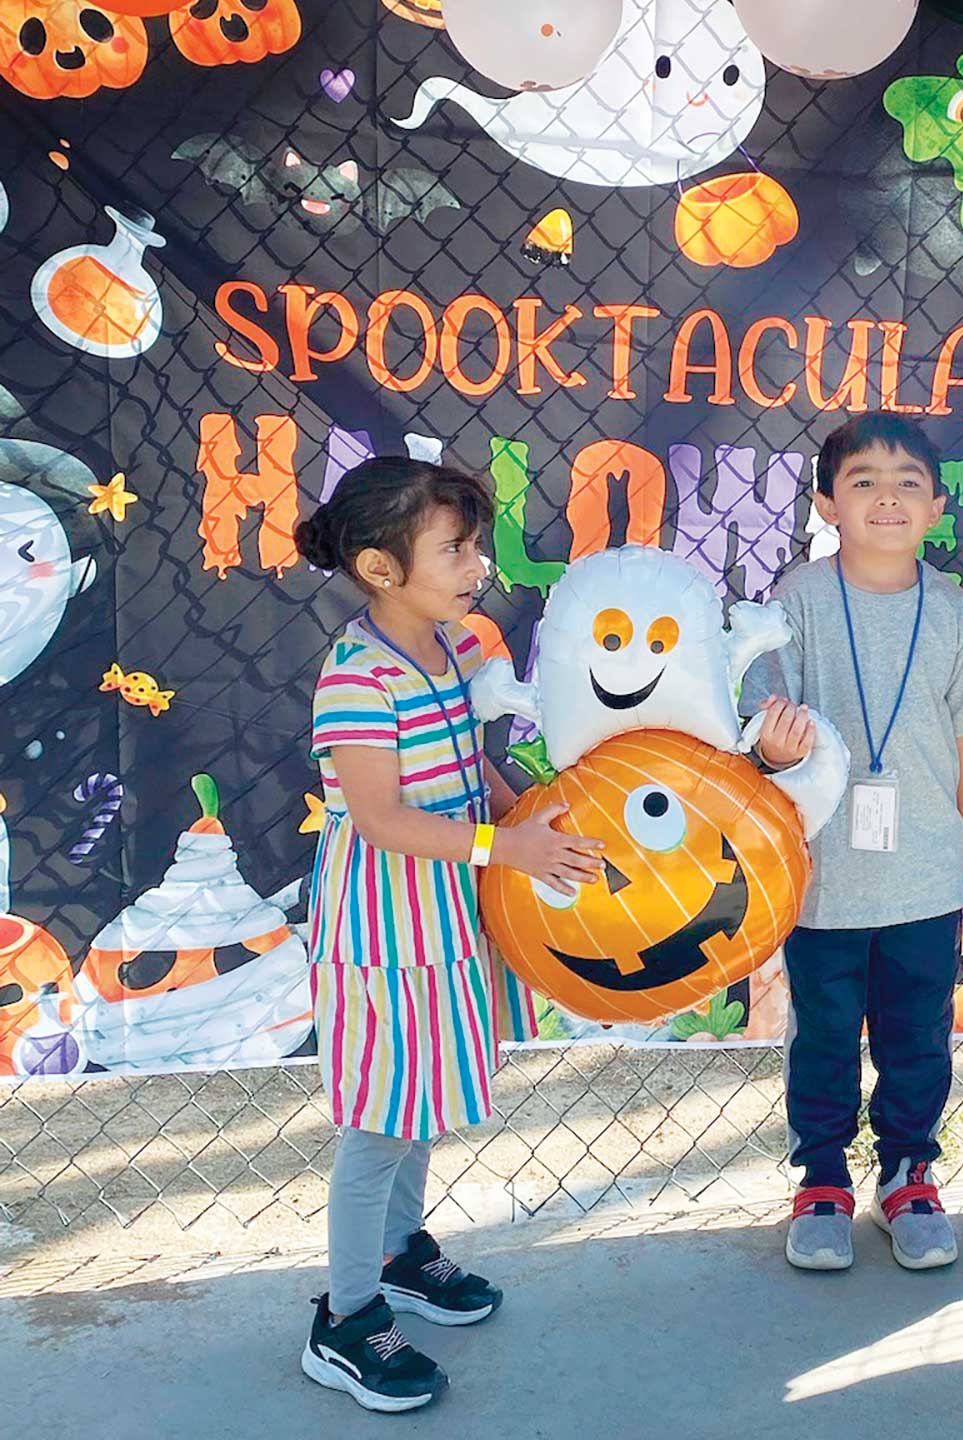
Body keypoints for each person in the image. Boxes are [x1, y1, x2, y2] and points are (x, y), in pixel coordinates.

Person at [296, 458, 605, 1411]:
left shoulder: (459, 650)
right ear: (381, 567)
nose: (478, 564)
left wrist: (529, 820)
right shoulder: (356, 677)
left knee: (420, 1100)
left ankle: (399, 1257)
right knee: (382, 1123)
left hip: (448, 922)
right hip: (381, 937)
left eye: (475, 544)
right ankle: (345, 1320)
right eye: (455, 548)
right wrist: (503, 845)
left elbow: (478, 763)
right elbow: (382, 819)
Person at [741, 413, 963, 1273]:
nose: (887, 496)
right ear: (826, 503)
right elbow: (763, 729)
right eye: (863, 480)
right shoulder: (797, 602)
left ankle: (908, 1174)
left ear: (936, 507)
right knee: (821, 1035)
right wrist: (773, 747)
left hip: (924, 876)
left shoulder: (957, 614)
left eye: (907, 482)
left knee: (918, 1035)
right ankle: (819, 1180)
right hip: (822, 879)